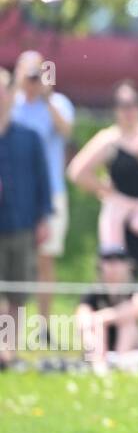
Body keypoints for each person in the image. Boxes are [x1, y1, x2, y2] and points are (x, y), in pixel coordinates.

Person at [66, 79, 138, 345]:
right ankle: (123, 337)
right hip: (124, 220)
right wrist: (105, 191)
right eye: (123, 105)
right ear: (115, 109)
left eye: (133, 104)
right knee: (126, 278)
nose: (128, 110)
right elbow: (77, 172)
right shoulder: (109, 140)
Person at [11, 50, 75, 326]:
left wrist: (46, 95)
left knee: (44, 259)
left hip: (50, 193)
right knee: (12, 259)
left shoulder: (58, 103)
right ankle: (9, 326)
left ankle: (44, 325)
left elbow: (65, 132)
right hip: (14, 195)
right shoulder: (10, 104)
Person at [0, 67, 52, 369]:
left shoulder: (29, 137)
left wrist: (43, 218)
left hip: (21, 224)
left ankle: (10, 352)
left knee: (17, 293)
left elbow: (43, 182)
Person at [75, 249, 138, 372]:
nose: (113, 266)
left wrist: (103, 317)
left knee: (129, 324)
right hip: (100, 339)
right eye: (108, 261)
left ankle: (121, 362)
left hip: (129, 343)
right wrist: (97, 322)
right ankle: (99, 364)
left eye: (118, 261)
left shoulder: (132, 288)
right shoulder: (95, 290)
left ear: (127, 265)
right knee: (94, 328)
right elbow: (82, 316)